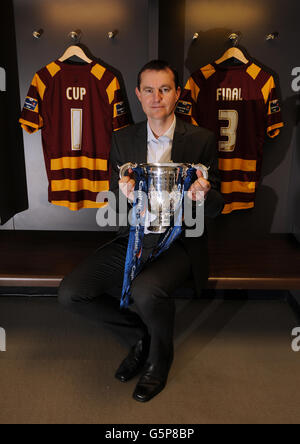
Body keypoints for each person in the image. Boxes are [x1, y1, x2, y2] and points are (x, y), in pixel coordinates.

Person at [58, 60, 224, 403]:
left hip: (181, 241)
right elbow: (115, 209)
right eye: (148, 89)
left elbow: (215, 207)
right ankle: (139, 336)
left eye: (165, 89)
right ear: (138, 94)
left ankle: (159, 360)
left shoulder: (202, 140)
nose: (156, 97)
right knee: (71, 292)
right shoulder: (123, 139)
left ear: (177, 94)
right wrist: (125, 195)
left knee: (147, 291)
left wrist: (204, 195)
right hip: (135, 238)